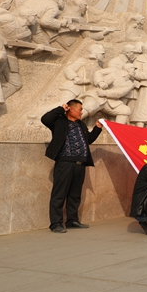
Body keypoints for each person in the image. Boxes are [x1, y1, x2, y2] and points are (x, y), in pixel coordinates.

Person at [41, 99, 103, 233]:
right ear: (71, 109)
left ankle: (72, 220)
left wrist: (97, 128)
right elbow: (45, 119)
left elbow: (88, 140)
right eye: (80, 109)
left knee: (75, 194)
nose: (81, 112)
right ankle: (56, 223)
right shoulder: (59, 121)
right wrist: (61, 109)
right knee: (59, 194)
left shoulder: (81, 125)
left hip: (80, 165)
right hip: (65, 163)